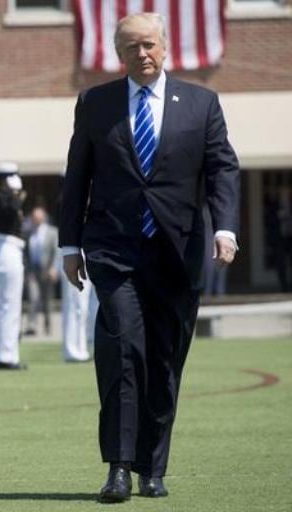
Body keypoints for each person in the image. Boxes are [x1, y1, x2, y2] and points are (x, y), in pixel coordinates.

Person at [59, 13, 240, 502]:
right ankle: (117, 468)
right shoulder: (96, 104)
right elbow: (78, 175)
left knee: (163, 361)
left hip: (177, 253)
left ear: (166, 48)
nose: (142, 54)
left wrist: (224, 226)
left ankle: (152, 468)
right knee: (121, 351)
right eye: (131, 47)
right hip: (114, 251)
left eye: (150, 45)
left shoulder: (202, 104)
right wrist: (69, 244)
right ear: (119, 54)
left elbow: (223, 168)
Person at [0, 162, 27, 370]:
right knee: (8, 305)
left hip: (9, 249)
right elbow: (12, 208)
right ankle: (5, 356)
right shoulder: (1, 198)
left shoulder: (1, 196)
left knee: (11, 306)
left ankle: (8, 353)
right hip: (5, 248)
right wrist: (15, 192)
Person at [24, 206, 59, 336]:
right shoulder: (28, 233)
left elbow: (56, 252)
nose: (36, 220)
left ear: (43, 218)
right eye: (34, 218)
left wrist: (54, 267)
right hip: (33, 270)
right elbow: (26, 254)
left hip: (47, 269)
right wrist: (27, 272)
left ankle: (47, 325)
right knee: (33, 298)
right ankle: (32, 325)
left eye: (38, 217)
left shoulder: (52, 232)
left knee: (47, 300)